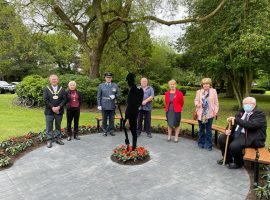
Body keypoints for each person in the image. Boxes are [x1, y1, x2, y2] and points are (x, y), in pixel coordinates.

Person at [218, 97, 267, 169]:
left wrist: (236, 120)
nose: (246, 105)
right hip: (237, 133)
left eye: (249, 103)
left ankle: (238, 162)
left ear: (254, 104)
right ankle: (227, 159)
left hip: (251, 136)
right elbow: (232, 122)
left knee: (234, 146)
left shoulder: (260, 114)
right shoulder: (241, 112)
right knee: (222, 138)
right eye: (245, 103)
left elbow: (251, 125)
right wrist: (228, 130)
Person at [194, 78, 219, 151]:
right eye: (204, 84)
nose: (205, 85)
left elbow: (216, 102)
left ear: (210, 84)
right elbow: (196, 100)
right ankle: (201, 143)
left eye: (207, 84)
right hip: (200, 113)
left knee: (208, 130)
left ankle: (209, 145)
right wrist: (197, 104)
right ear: (202, 85)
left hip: (209, 114)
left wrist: (216, 111)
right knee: (201, 129)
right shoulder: (199, 92)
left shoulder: (213, 91)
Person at [43, 74, 66, 148]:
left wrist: (59, 107)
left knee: (58, 126)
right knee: (49, 127)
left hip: (59, 111)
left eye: (55, 79)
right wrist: (52, 107)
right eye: (52, 79)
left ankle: (58, 139)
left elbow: (64, 99)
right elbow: (45, 100)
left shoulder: (62, 89)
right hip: (49, 111)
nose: (54, 80)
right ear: (50, 80)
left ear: (57, 80)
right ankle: (49, 140)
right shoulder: (46, 89)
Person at [97, 72, 120, 136]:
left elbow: (119, 93)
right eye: (107, 77)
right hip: (104, 104)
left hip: (112, 104)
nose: (108, 79)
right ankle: (104, 131)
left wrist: (115, 96)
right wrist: (99, 104)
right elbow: (99, 96)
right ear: (105, 78)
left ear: (111, 78)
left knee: (111, 119)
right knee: (104, 119)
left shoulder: (115, 85)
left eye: (109, 77)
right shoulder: (101, 85)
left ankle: (111, 130)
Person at [125, 73, 144, 150]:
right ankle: (129, 144)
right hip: (130, 112)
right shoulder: (131, 89)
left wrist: (128, 115)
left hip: (132, 113)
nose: (127, 82)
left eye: (128, 81)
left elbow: (135, 103)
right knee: (129, 129)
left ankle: (134, 146)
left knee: (133, 130)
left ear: (131, 80)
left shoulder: (136, 90)